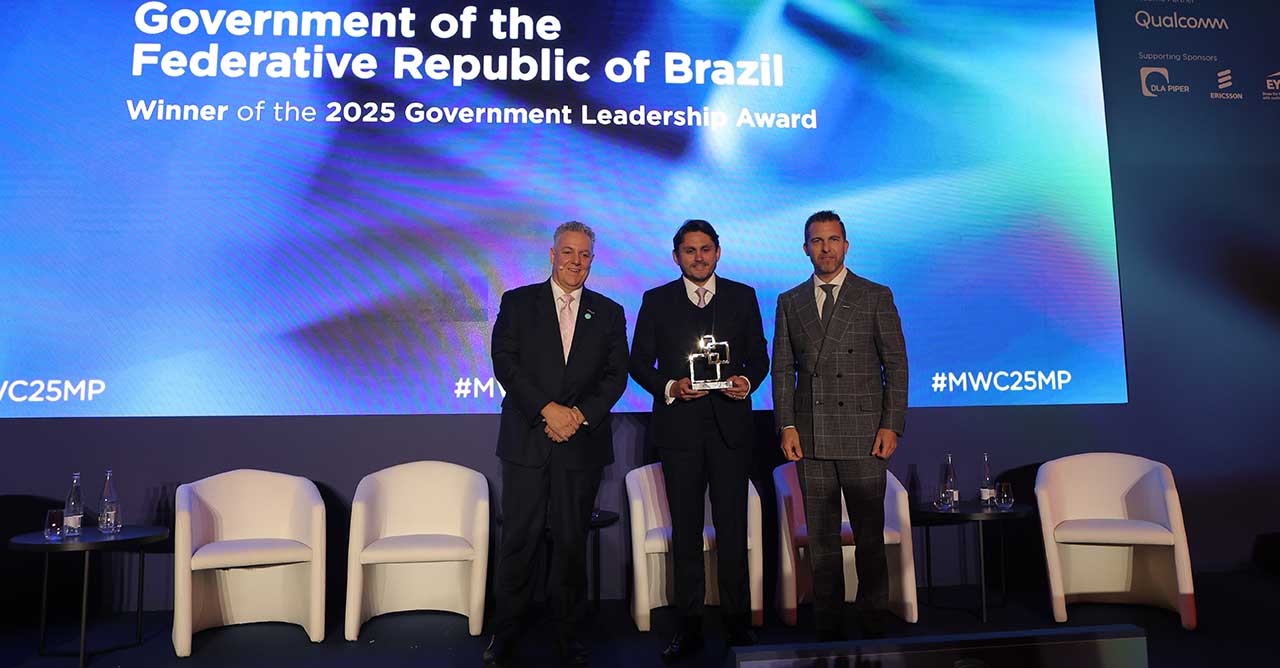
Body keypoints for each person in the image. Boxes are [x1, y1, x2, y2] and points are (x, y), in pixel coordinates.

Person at [486, 221, 630, 666]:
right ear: (551, 255)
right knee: (519, 541)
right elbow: (504, 362)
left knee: (570, 544)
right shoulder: (518, 302)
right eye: (568, 252)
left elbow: (615, 376)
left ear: (592, 259)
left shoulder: (608, 312)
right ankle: (505, 632)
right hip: (528, 440)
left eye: (584, 255)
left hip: (580, 444)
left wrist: (578, 416)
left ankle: (568, 634)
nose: (575, 262)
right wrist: (546, 410)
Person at [629, 220, 769, 661]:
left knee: (732, 530)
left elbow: (760, 356)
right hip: (680, 432)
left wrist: (747, 380)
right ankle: (687, 628)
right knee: (686, 534)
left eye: (706, 249)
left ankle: (737, 624)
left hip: (731, 429)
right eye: (689, 251)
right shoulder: (656, 300)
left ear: (718, 252)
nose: (699, 257)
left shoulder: (743, 296)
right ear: (676, 257)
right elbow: (637, 363)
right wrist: (670, 386)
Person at [771, 210, 908, 641]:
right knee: (822, 540)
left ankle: (872, 620)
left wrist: (892, 425)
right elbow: (782, 370)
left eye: (833, 240)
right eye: (816, 240)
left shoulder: (874, 295)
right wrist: (786, 426)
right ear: (805, 247)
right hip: (810, 435)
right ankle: (826, 626)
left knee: (869, 537)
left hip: (866, 433)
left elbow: (896, 366)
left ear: (846, 245)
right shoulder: (789, 301)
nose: (825, 248)